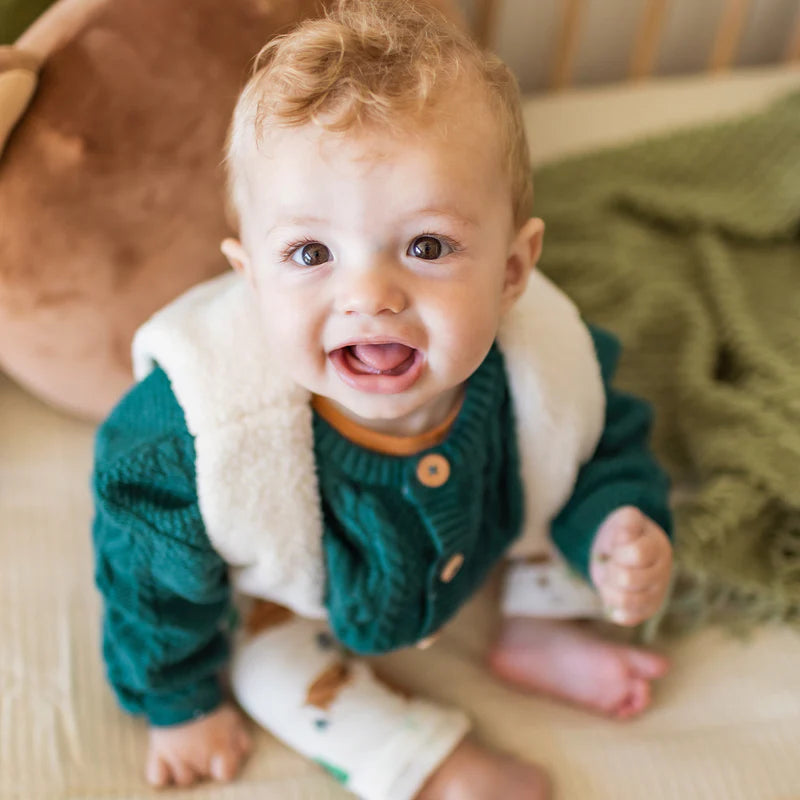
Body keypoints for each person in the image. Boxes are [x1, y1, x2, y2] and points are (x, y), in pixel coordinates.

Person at [92, 1, 674, 797]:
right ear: (252, 278)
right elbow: (148, 581)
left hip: (488, 538)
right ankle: (433, 764)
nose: (369, 295)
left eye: (427, 245)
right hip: (294, 597)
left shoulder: (545, 359)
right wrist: (178, 702)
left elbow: (605, 443)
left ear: (512, 270)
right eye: (310, 252)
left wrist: (615, 527)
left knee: (576, 500)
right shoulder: (195, 432)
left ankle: (536, 627)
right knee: (270, 672)